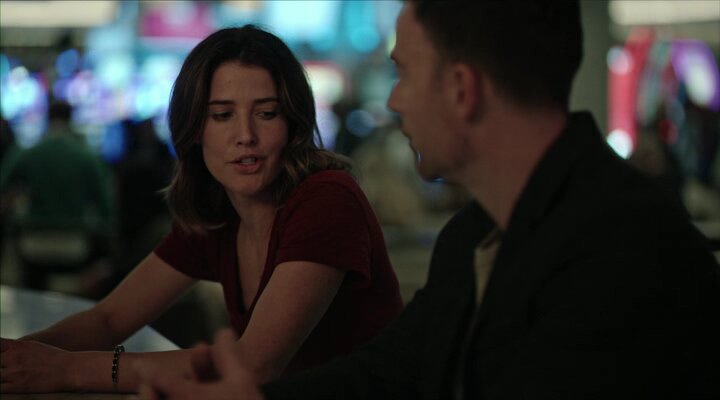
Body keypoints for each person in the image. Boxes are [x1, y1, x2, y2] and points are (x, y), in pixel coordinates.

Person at [135, 1, 720, 399]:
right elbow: (389, 371)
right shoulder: (477, 235)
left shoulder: (624, 250)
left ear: (461, 89)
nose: (394, 102)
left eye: (406, 74)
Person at [0, 26, 403, 393]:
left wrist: (67, 369)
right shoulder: (217, 211)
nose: (245, 136)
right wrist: (18, 359)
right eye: (222, 115)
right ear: (194, 129)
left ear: (293, 124)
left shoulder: (327, 199)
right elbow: (109, 320)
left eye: (266, 113)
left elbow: (254, 365)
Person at [0, 102, 114, 290]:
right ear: (71, 118)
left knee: (32, 296)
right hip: (74, 245)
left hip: (33, 243)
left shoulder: (28, 153)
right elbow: (105, 208)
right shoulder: (87, 157)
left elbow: (4, 185)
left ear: (48, 117)